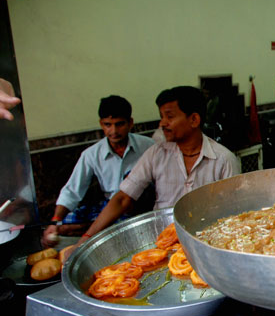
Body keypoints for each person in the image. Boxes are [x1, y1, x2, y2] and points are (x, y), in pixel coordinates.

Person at [74, 86, 240, 248]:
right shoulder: (156, 154)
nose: (162, 123)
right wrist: (86, 239)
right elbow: (123, 198)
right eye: (162, 117)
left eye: (169, 117)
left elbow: (234, 212)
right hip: (162, 243)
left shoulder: (224, 160)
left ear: (194, 120)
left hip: (205, 244)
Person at [41, 96, 155, 247]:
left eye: (119, 124)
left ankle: (94, 228)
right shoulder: (91, 154)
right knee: (64, 224)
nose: (114, 131)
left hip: (139, 207)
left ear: (130, 123)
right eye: (108, 125)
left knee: (122, 225)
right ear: (101, 124)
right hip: (108, 206)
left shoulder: (149, 146)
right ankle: (97, 227)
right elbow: (72, 191)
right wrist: (55, 221)